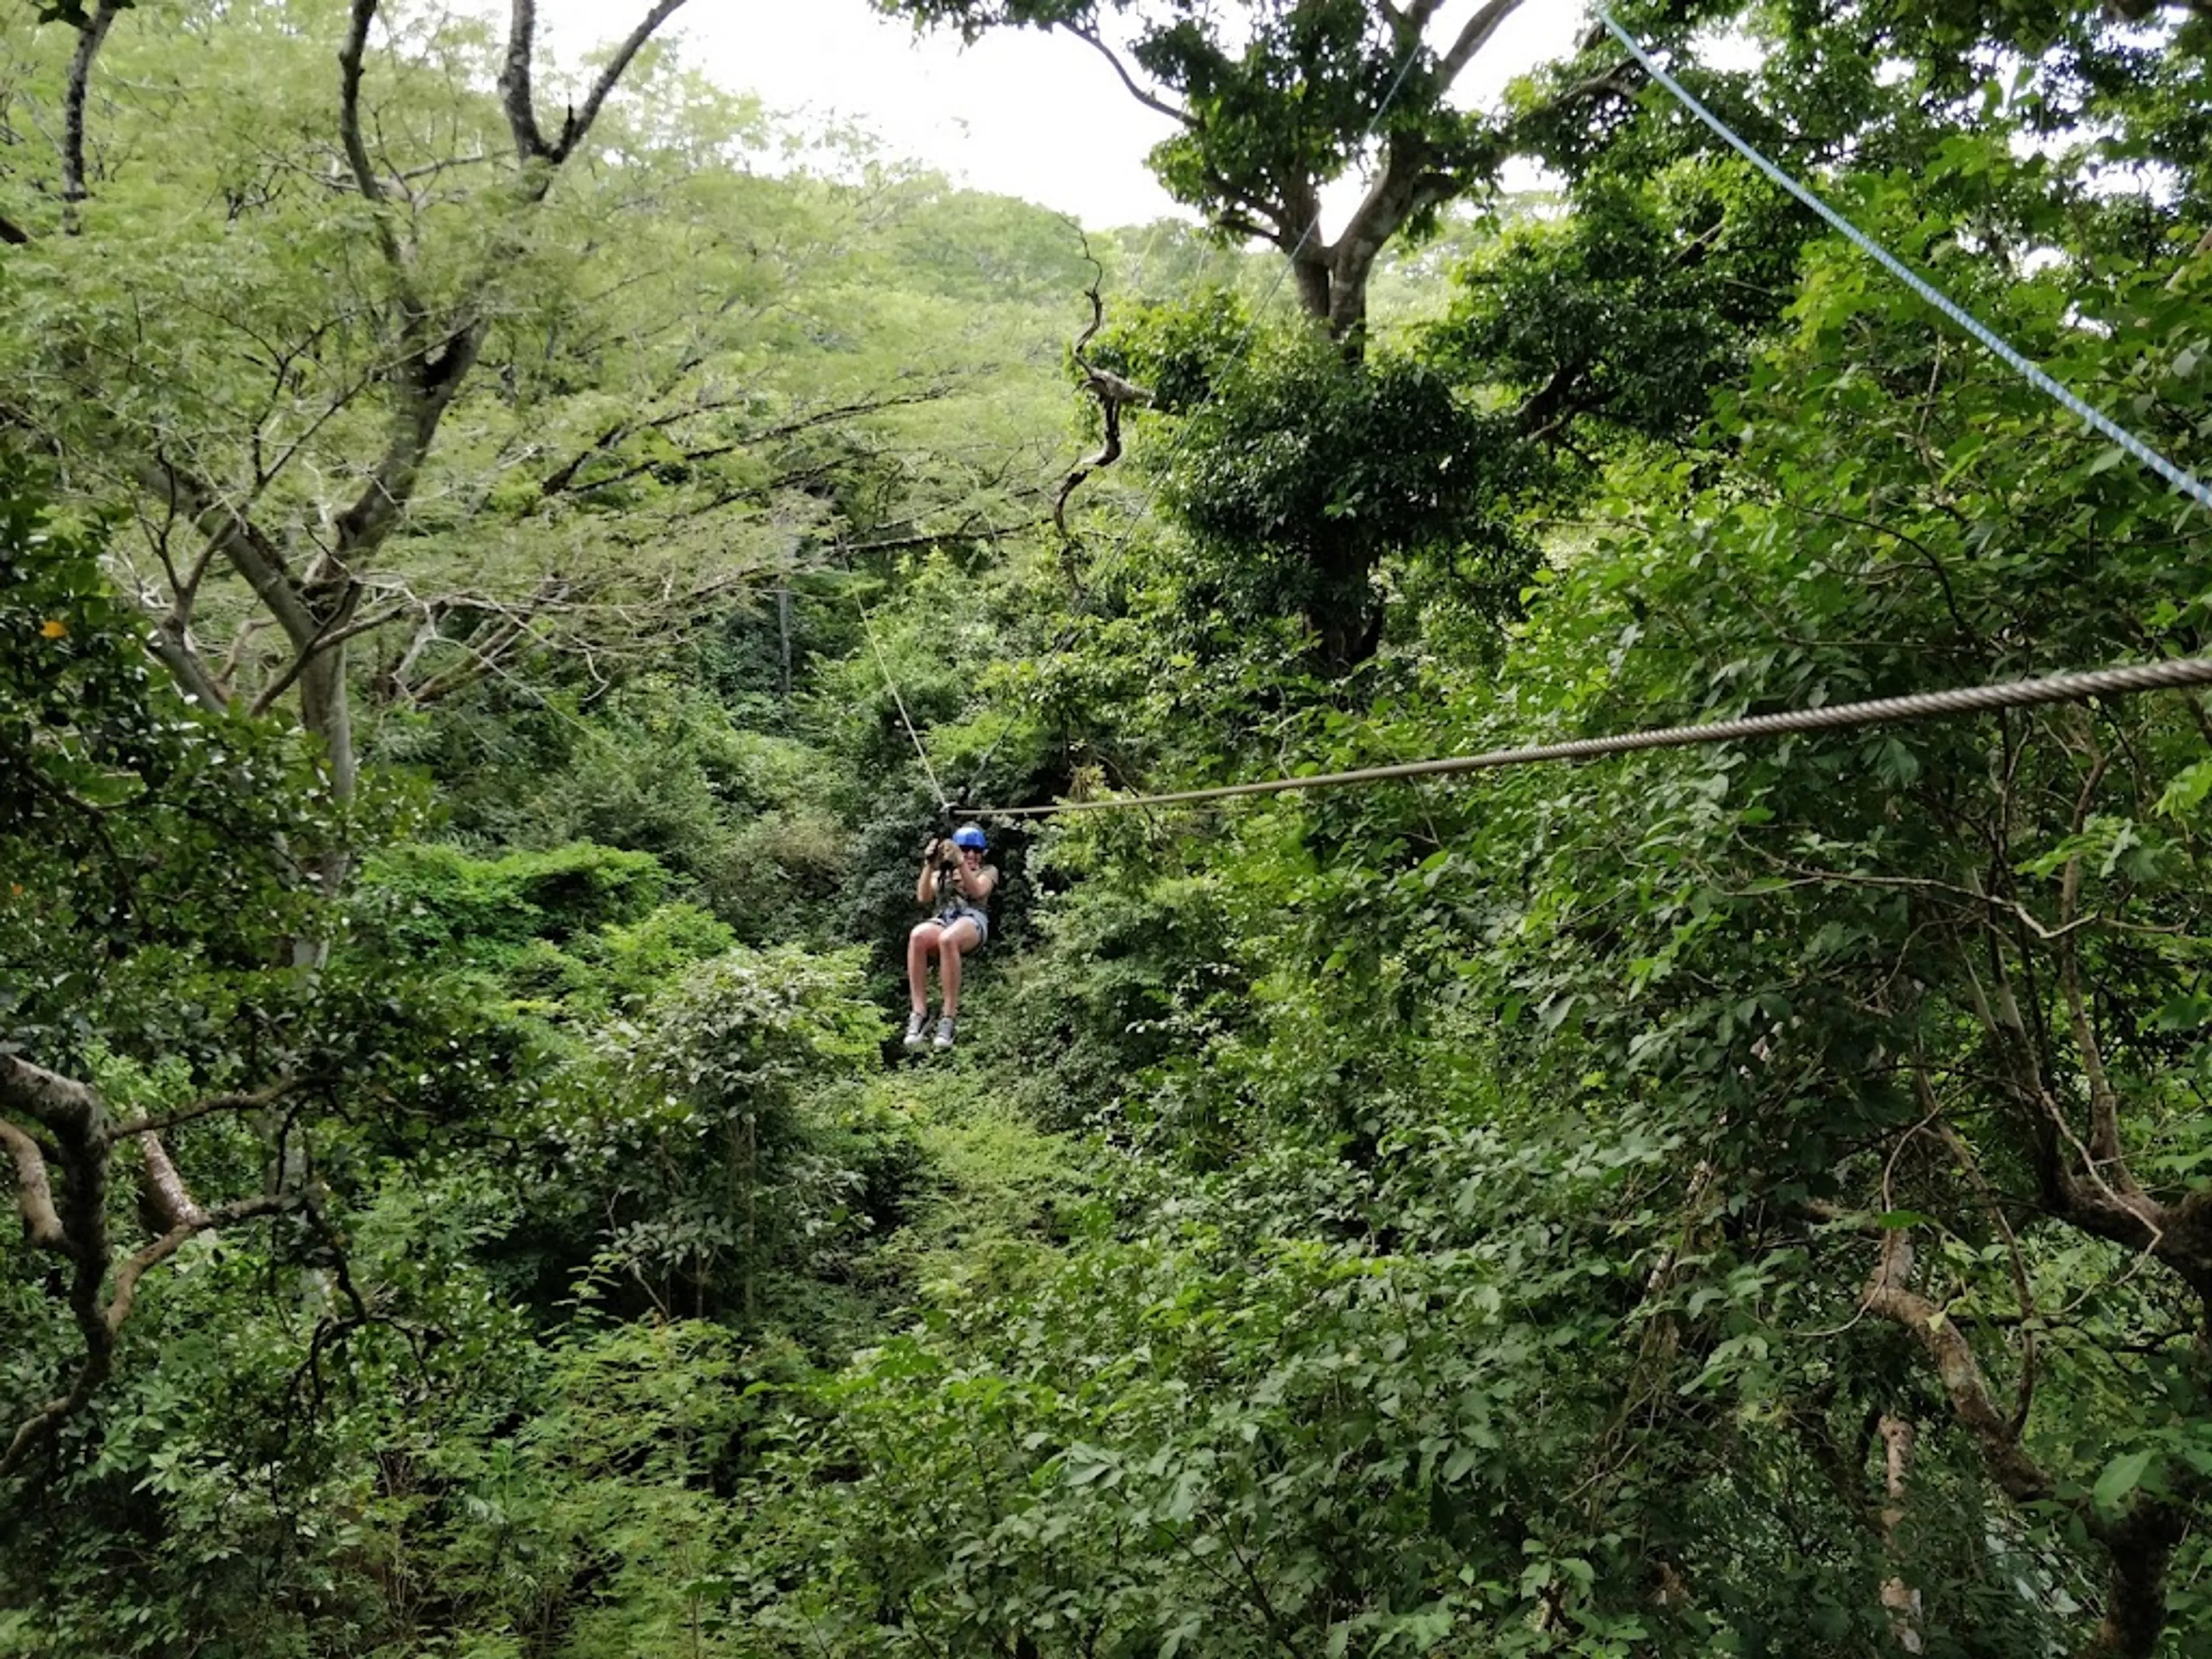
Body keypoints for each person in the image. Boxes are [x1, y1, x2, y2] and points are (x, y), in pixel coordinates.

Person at [906, 824, 997, 1050]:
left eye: (976, 852)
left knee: (948, 939)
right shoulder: (944, 874)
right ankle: (919, 1012)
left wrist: (960, 864)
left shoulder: (988, 872)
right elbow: (924, 897)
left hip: (973, 920)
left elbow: (977, 891)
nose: (971, 856)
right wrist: (930, 864)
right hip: (946, 918)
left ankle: (949, 1017)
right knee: (918, 936)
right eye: (965, 851)